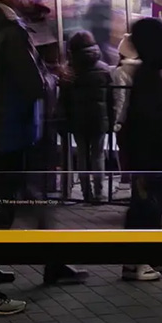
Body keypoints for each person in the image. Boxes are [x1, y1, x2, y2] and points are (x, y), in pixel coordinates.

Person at [0, 0, 87, 317]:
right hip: (10, 129)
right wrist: (54, 77)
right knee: (2, 208)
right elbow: (32, 84)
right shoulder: (10, 30)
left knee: (4, 202)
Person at [118, 17, 162, 282]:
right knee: (147, 206)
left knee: (151, 205)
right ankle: (137, 262)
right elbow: (148, 123)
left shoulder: (149, 74)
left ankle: (149, 257)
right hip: (150, 156)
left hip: (152, 155)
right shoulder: (149, 78)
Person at [61, 30, 112, 203]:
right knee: (98, 155)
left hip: (78, 120)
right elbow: (111, 99)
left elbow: (65, 100)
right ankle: (99, 193)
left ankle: (85, 193)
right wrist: (111, 120)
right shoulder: (104, 70)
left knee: (82, 155)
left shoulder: (70, 73)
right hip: (99, 119)